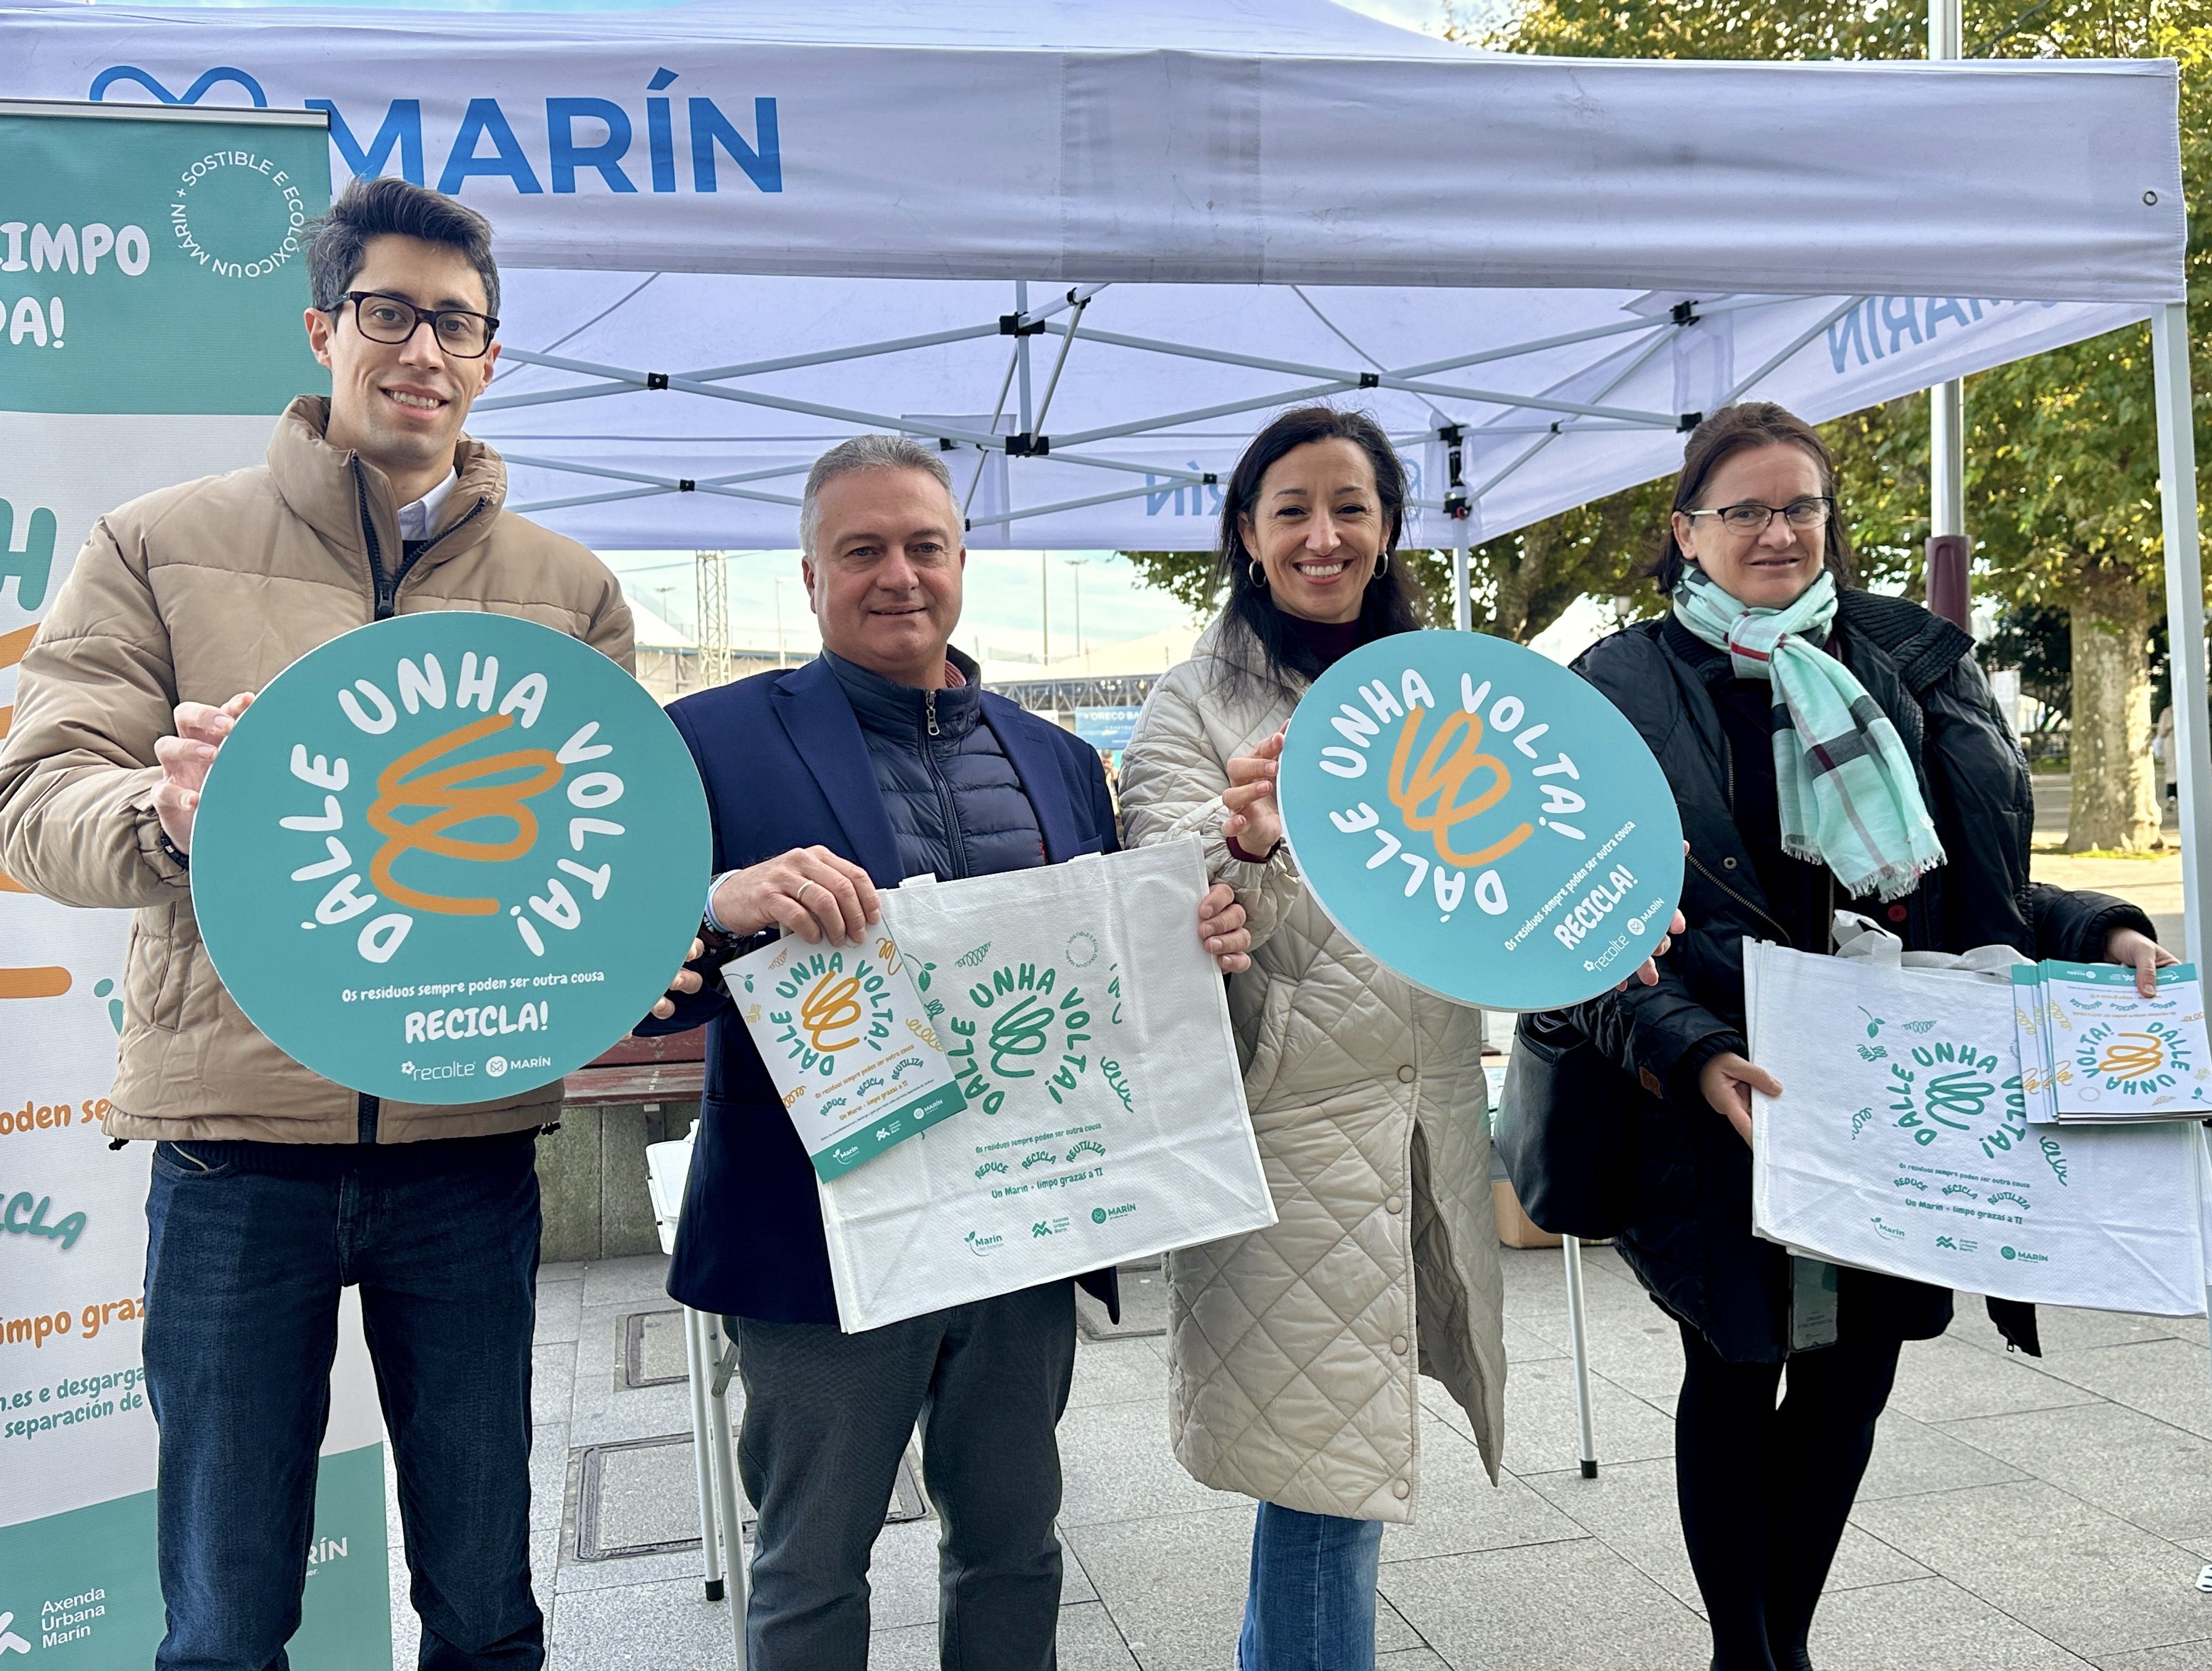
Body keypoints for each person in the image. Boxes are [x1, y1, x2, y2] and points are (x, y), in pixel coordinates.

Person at [0, 176, 631, 1670]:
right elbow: (35, 800)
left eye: (457, 325)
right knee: (226, 1614)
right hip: (235, 1152)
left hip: (470, 1145)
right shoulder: (157, 544)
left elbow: (609, 848)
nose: (422, 348)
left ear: (489, 357)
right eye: (389, 311)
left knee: (486, 1603)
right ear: (323, 328)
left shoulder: (568, 590)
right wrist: (165, 819)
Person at [1563, 401, 2168, 1671]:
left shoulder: (1912, 658)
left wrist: (2102, 930)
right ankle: (1748, 1653)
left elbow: (1973, 887)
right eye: (1745, 511)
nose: (1778, 532)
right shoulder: (1613, 690)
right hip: (1725, 1087)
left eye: (1802, 507)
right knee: (1738, 1367)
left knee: (1855, 1375)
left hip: (1897, 1082)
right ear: (1686, 532)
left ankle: (1792, 1643)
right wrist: (1686, 1049)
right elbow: (1572, 930)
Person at [639, 434, 1254, 1671]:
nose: (898, 575)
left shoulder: (1062, 758)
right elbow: (640, 987)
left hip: (1026, 1229)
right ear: (807, 579)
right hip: (819, 1238)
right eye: (860, 551)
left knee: (1016, 1546)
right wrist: (721, 904)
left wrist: (1197, 937)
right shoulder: (705, 741)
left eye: (925, 546)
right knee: (811, 1565)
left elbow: (1111, 973)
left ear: (964, 560)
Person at [1121, 406, 1646, 1670]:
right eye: (1291, 509)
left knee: (1329, 1475)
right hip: (1285, 1146)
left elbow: (1533, 867)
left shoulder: (1450, 687)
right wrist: (1238, 844)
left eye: (1350, 507)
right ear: (1244, 534)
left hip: (1426, 1130)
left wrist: (1622, 908)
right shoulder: (1194, 705)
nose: (1323, 534)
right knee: (1327, 1481)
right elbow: (1150, 903)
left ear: (1391, 526)